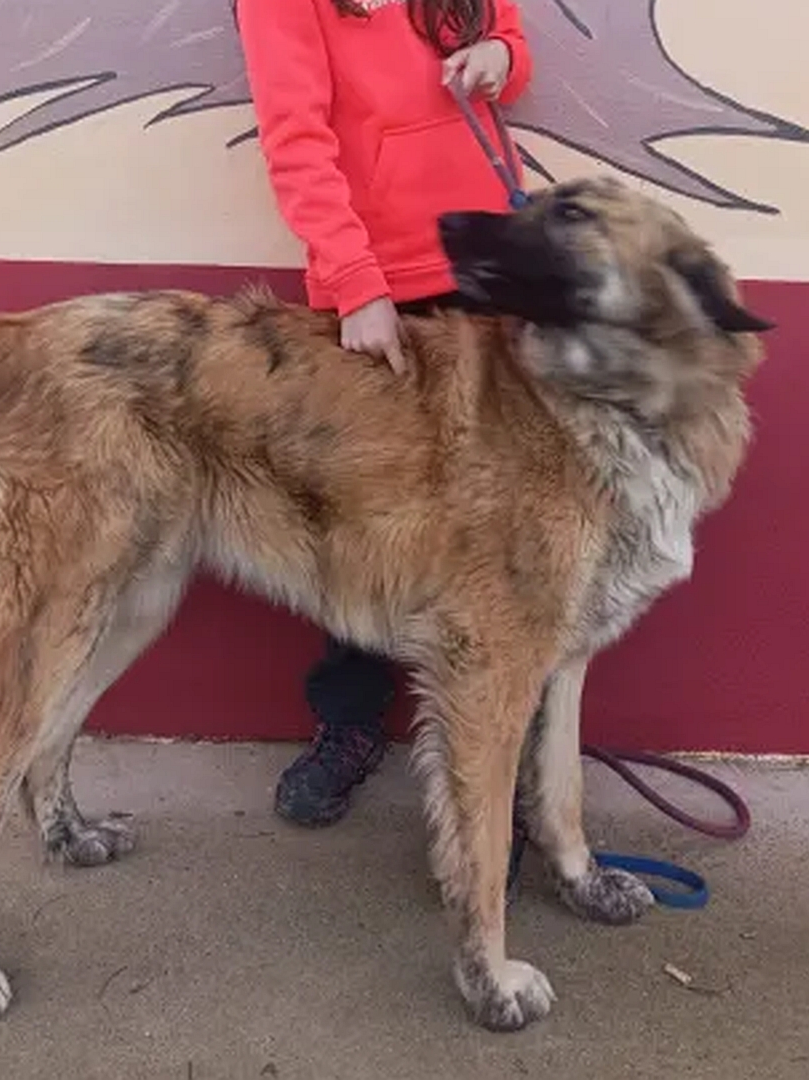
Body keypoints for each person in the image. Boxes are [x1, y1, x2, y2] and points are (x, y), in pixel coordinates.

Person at [236, 0, 533, 826]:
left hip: (487, 269)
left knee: (494, 525)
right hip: (380, 298)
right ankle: (352, 722)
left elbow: (510, 38)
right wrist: (358, 285)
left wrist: (501, 59)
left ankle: (503, 751)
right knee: (370, 522)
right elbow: (295, 141)